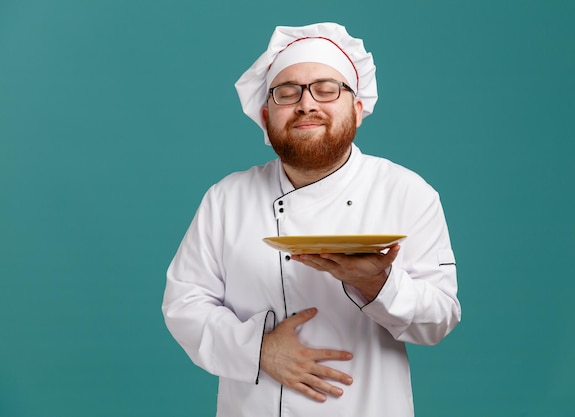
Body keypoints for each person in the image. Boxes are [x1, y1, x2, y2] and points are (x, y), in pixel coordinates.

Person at [162, 22, 461, 417]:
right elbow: (184, 303)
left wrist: (378, 284)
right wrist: (258, 349)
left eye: (326, 88)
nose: (307, 104)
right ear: (267, 115)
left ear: (356, 109)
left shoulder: (406, 192)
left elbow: (439, 320)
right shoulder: (226, 198)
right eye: (288, 93)